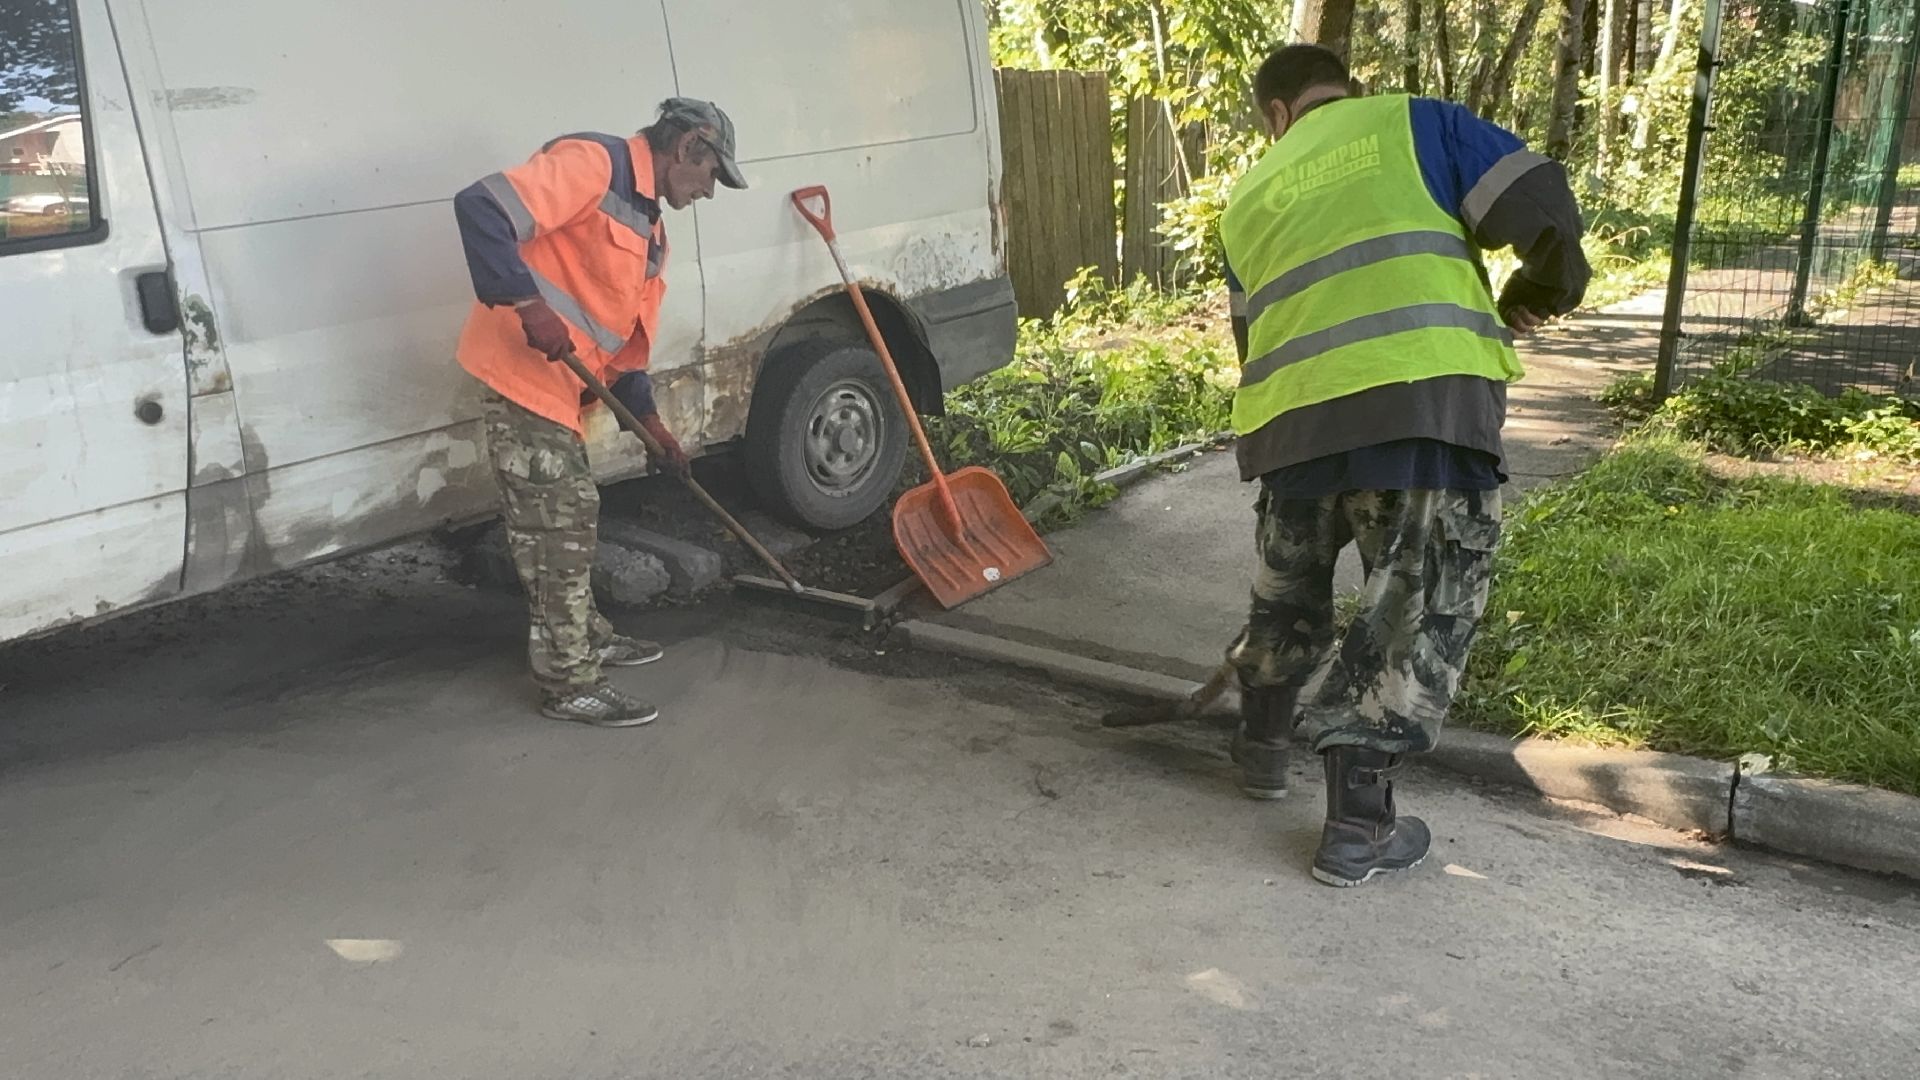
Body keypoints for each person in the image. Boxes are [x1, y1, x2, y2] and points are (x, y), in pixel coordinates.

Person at [1219, 46, 1589, 885]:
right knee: (1408, 606)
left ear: (1276, 115)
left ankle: (1262, 749)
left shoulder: (1247, 195)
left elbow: (1253, 336)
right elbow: (1544, 207)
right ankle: (1359, 826)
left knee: (1288, 593)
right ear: (1344, 89)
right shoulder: (1419, 123)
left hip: (1290, 426)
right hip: (1419, 414)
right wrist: (1535, 295)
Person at [452, 98, 747, 728]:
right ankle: (568, 682)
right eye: (711, 175)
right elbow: (480, 207)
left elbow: (619, 347)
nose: (708, 193)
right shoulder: (594, 164)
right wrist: (527, 303)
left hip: (566, 391)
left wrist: (652, 427)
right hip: (523, 378)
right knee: (559, 528)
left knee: (573, 517)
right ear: (689, 146)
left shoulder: (651, 232)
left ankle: (586, 635)